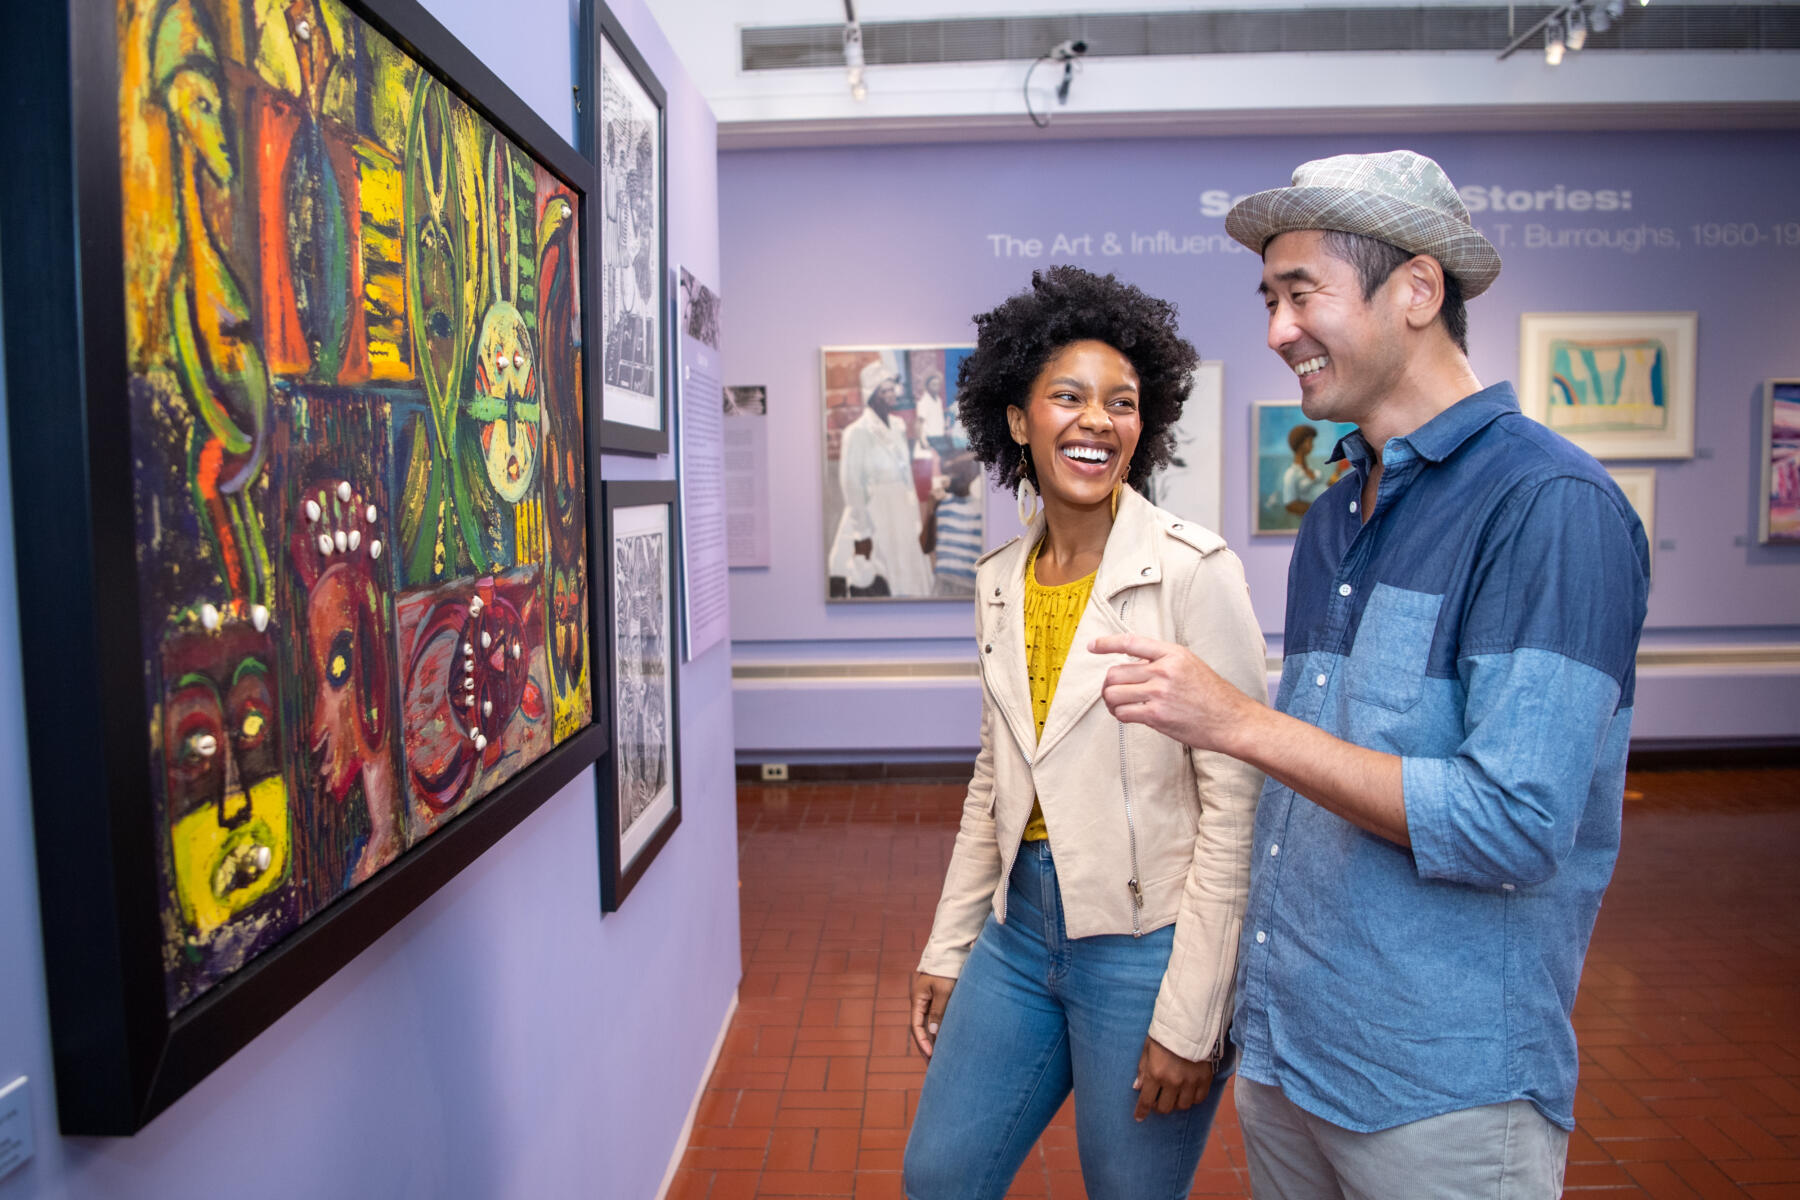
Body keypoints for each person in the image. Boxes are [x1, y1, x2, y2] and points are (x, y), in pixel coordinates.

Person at [1093, 150, 1650, 1198]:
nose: (1275, 331)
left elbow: (1517, 824)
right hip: (1290, 1063)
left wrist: (1238, 723)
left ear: (1418, 291)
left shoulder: (1550, 510)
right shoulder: (1334, 515)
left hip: (1440, 1098)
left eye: (1303, 293)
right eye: (1268, 298)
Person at [903, 265, 1268, 1200]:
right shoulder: (997, 579)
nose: (1097, 421)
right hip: (1020, 934)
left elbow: (1237, 807)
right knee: (939, 1176)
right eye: (1068, 396)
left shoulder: (1195, 573)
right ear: (1018, 420)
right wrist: (950, 947)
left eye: (1123, 402)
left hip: (1148, 947)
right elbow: (995, 780)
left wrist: (1195, 1014)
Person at [827, 359, 934, 598]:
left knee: (909, 564)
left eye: (892, 390)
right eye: (885, 391)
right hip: (876, 508)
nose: (891, 396)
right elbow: (851, 483)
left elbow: (905, 471)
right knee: (880, 568)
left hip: (901, 508)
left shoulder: (897, 425)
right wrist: (862, 531)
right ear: (872, 396)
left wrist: (914, 512)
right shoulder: (857, 432)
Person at [1278, 423, 1347, 517]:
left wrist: (1338, 472)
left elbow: (1324, 490)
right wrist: (1321, 508)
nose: (1312, 445)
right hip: (1317, 517)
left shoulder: (1312, 470)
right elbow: (1290, 505)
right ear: (1300, 444)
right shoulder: (1291, 474)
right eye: (1309, 441)